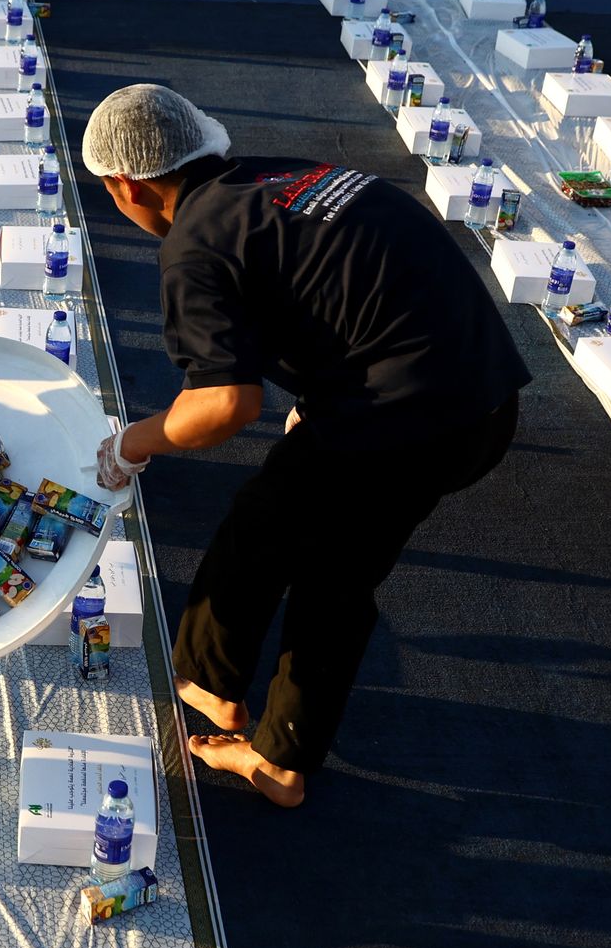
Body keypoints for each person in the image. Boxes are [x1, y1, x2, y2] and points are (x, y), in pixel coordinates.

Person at [83, 84, 528, 808]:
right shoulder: (285, 175)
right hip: (482, 390)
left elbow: (224, 405)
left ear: (125, 185)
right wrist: (323, 401)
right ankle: (212, 684)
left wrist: (132, 443)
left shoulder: (193, 246)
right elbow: (345, 286)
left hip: (409, 424)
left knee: (332, 578)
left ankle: (279, 761)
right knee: (265, 521)